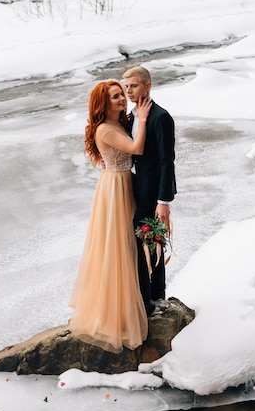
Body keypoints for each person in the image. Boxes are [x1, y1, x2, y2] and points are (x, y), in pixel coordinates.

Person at [69, 80, 152, 353]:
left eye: (121, 95)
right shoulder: (105, 129)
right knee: (118, 248)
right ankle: (116, 316)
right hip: (115, 188)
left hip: (122, 182)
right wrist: (142, 118)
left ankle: (125, 308)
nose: (121, 99)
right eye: (116, 96)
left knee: (126, 246)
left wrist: (133, 118)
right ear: (104, 104)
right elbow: (136, 149)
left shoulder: (118, 122)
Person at [123, 66, 177, 316]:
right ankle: (147, 297)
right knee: (142, 244)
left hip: (153, 195)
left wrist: (163, 200)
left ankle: (156, 298)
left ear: (148, 86)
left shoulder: (160, 116)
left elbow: (167, 161)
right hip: (134, 190)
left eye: (134, 85)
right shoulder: (131, 116)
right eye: (127, 86)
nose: (129, 91)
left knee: (153, 244)